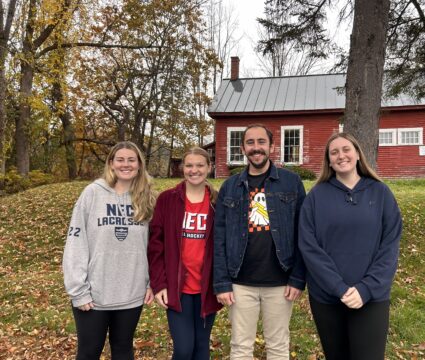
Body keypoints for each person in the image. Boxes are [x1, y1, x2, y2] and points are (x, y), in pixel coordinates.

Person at [298, 132, 403, 360]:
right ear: (328, 160)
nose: (341, 155)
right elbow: (309, 247)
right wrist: (339, 288)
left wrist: (366, 289)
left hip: (371, 297)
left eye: (346, 149)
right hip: (327, 297)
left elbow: (390, 246)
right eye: (334, 152)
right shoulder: (316, 197)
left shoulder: (380, 192)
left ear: (357, 154)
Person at [214, 124, 306, 359]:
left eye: (261, 142)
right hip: (240, 282)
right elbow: (220, 237)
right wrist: (222, 282)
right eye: (250, 143)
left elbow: (303, 233)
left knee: (278, 345)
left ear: (272, 146)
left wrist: (297, 278)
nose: (256, 148)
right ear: (243, 148)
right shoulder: (230, 187)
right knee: (241, 347)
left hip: (280, 282)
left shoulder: (291, 182)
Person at [63, 141, 155, 360]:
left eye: (131, 160)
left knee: (123, 349)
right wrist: (78, 290)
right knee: (88, 352)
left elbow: (154, 246)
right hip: (94, 294)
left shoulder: (147, 198)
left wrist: (152, 282)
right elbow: (76, 241)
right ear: (111, 164)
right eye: (120, 160)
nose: (126, 164)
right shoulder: (92, 194)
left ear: (139, 165)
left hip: (131, 292)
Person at [148, 147, 222, 360]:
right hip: (176, 288)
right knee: (183, 349)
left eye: (200, 165)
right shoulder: (168, 199)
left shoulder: (218, 202)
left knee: (201, 349)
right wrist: (159, 284)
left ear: (209, 167)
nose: (194, 170)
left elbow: (226, 245)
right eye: (189, 165)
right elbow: (155, 246)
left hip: (207, 288)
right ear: (182, 168)